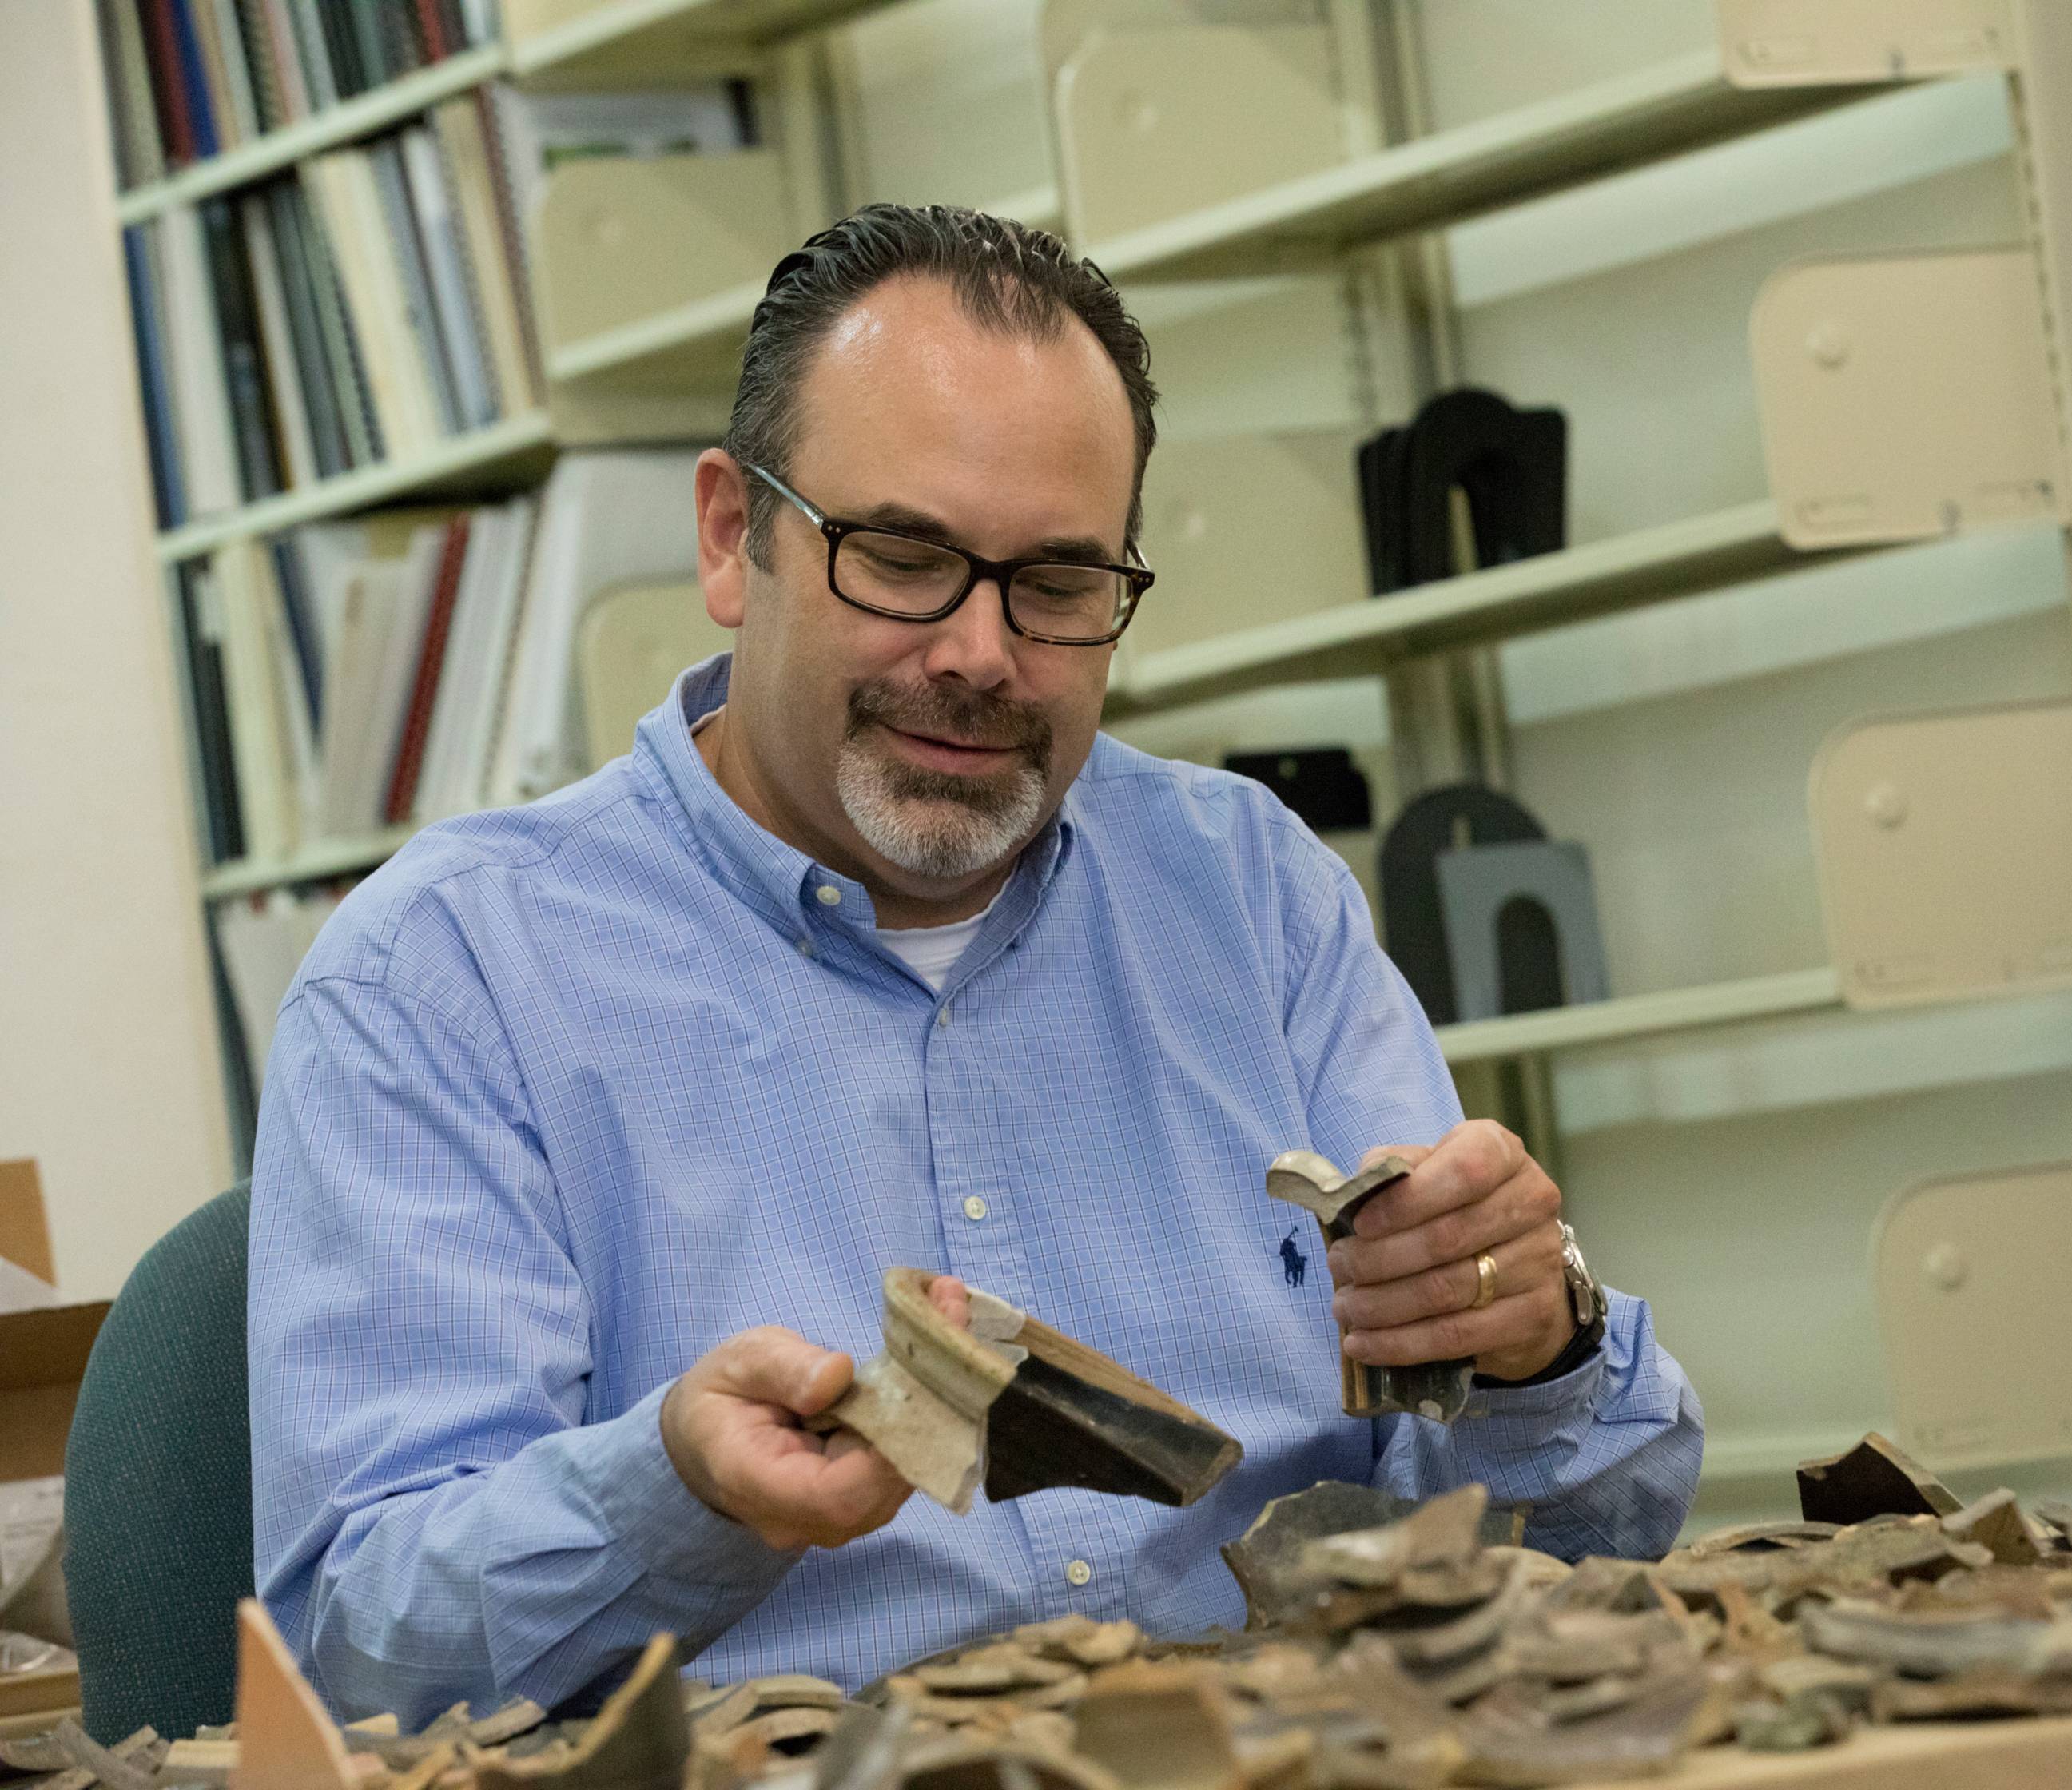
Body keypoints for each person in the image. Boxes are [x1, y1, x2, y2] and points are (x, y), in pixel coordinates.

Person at [248, 204, 1702, 1723]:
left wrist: (1542, 1345)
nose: (980, 654)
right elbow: (352, 1657)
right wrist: (676, 1490)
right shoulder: (443, 977)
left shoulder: (1255, 895)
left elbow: (1594, 1541)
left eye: (1059, 585)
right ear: (734, 540)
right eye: (905, 557)